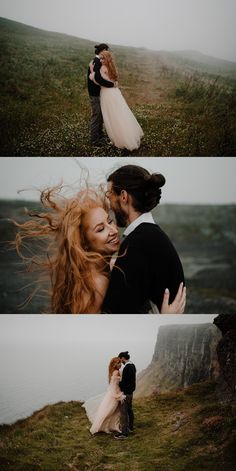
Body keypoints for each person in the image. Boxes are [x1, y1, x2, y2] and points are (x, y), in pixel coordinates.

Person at [13, 185, 185, 314]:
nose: (112, 230)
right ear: (85, 243)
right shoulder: (96, 282)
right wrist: (164, 321)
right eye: (100, 229)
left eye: (109, 222)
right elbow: (91, 335)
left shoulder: (101, 270)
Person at [103, 164, 186, 314]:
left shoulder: (137, 243)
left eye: (109, 196)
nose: (109, 204)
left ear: (123, 196)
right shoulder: (153, 236)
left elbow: (116, 311)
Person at [89, 50, 144, 151]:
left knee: (113, 116)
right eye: (100, 58)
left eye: (103, 58)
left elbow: (98, 81)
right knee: (120, 113)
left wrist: (92, 73)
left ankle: (121, 139)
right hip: (115, 93)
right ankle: (127, 135)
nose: (101, 60)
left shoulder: (102, 68)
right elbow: (113, 80)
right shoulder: (111, 67)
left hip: (107, 94)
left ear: (107, 59)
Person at [82, 357, 125, 434]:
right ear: (114, 364)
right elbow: (114, 386)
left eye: (120, 363)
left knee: (115, 412)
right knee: (109, 412)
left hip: (112, 394)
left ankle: (113, 426)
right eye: (118, 363)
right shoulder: (116, 372)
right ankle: (102, 427)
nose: (120, 364)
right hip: (114, 395)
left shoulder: (115, 371)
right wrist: (117, 395)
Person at [87, 44, 115, 146]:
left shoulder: (97, 60)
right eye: (106, 50)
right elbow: (97, 78)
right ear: (103, 50)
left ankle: (100, 135)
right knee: (97, 115)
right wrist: (111, 84)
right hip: (95, 93)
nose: (108, 52)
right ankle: (94, 140)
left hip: (97, 92)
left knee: (100, 115)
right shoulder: (97, 61)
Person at [114, 351, 136, 440]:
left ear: (123, 358)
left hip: (126, 393)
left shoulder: (127, 367)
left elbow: (125, 382)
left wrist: (119, 384)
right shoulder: (132, 365)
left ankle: (124, 433)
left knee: (123, 412)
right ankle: (130, 427)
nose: (120, 361)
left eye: (120, 359)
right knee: (129, 410)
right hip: (130, 392)